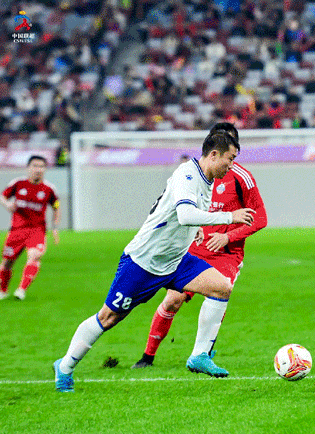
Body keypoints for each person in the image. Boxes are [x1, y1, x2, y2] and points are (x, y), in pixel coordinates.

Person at [53, 131, 255, 392]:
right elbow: (184, 214)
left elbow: (181, 214)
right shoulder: (187, 175)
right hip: (144, 261)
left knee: (222, 287)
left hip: (176, 259)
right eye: (230, 158)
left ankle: (199, 355)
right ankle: (65, 366)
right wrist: (230, 217)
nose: (232, 165)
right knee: (108, 317)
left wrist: (196, 229)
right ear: (214, 154)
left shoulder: (207, 180)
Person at [132, 123, 267, 376]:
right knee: (173, 299)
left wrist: (228, 237)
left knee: (219, 292)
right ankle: (148, 356)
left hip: (227, 255)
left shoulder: (242, 177)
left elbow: (260, 218)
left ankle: (203, 352)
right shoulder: (197, 175)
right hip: (196, 249)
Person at [0, 155, 60, 301]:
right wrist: (7, 204)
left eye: (41, 166)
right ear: (29, 168)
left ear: (45, 169)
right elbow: (2, 197)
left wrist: (55, 227)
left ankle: (21, 290)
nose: (38, 169)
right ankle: (2, 291)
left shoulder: (49, 188)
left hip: (37, 230)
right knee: (7, 261)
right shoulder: (18, 183)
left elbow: (56, 207)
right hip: (17, 230)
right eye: (35, 166)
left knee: (35, 255)